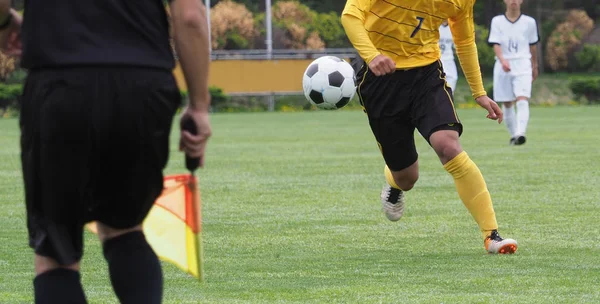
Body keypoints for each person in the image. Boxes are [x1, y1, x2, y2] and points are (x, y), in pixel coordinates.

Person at [0, 0, 211, 303]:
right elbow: (190, 16)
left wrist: (5, 22)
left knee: (56, 254)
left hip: (60, 83)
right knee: (125, 229)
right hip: (141, 87)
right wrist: (200, 107)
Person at [341, 0, 518, 254]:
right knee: (407, 177)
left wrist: (479, 92)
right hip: (380, 79)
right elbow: (350, 16)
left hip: (426, 76)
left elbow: (465, 41)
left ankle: (491, 235)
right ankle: (394, 181)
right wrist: (372, 56)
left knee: (447, 144)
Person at [488, 0, 539, 145]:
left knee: (522, 98)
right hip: (503, 64)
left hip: (523, 63)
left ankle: (520, 132)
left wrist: (534, 65)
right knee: (507, 101)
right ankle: (513, 135)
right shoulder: (497, 21)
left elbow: (533, 45)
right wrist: (502, 60)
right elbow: (495, 43)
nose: (513, 1)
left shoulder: (529, 22)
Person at [439, 20, 458, 94]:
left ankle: (448, 100)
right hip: (436, 59)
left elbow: (456, 46)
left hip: (449, 59)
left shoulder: (453, 28)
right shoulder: (435, 26)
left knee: (453, 78)